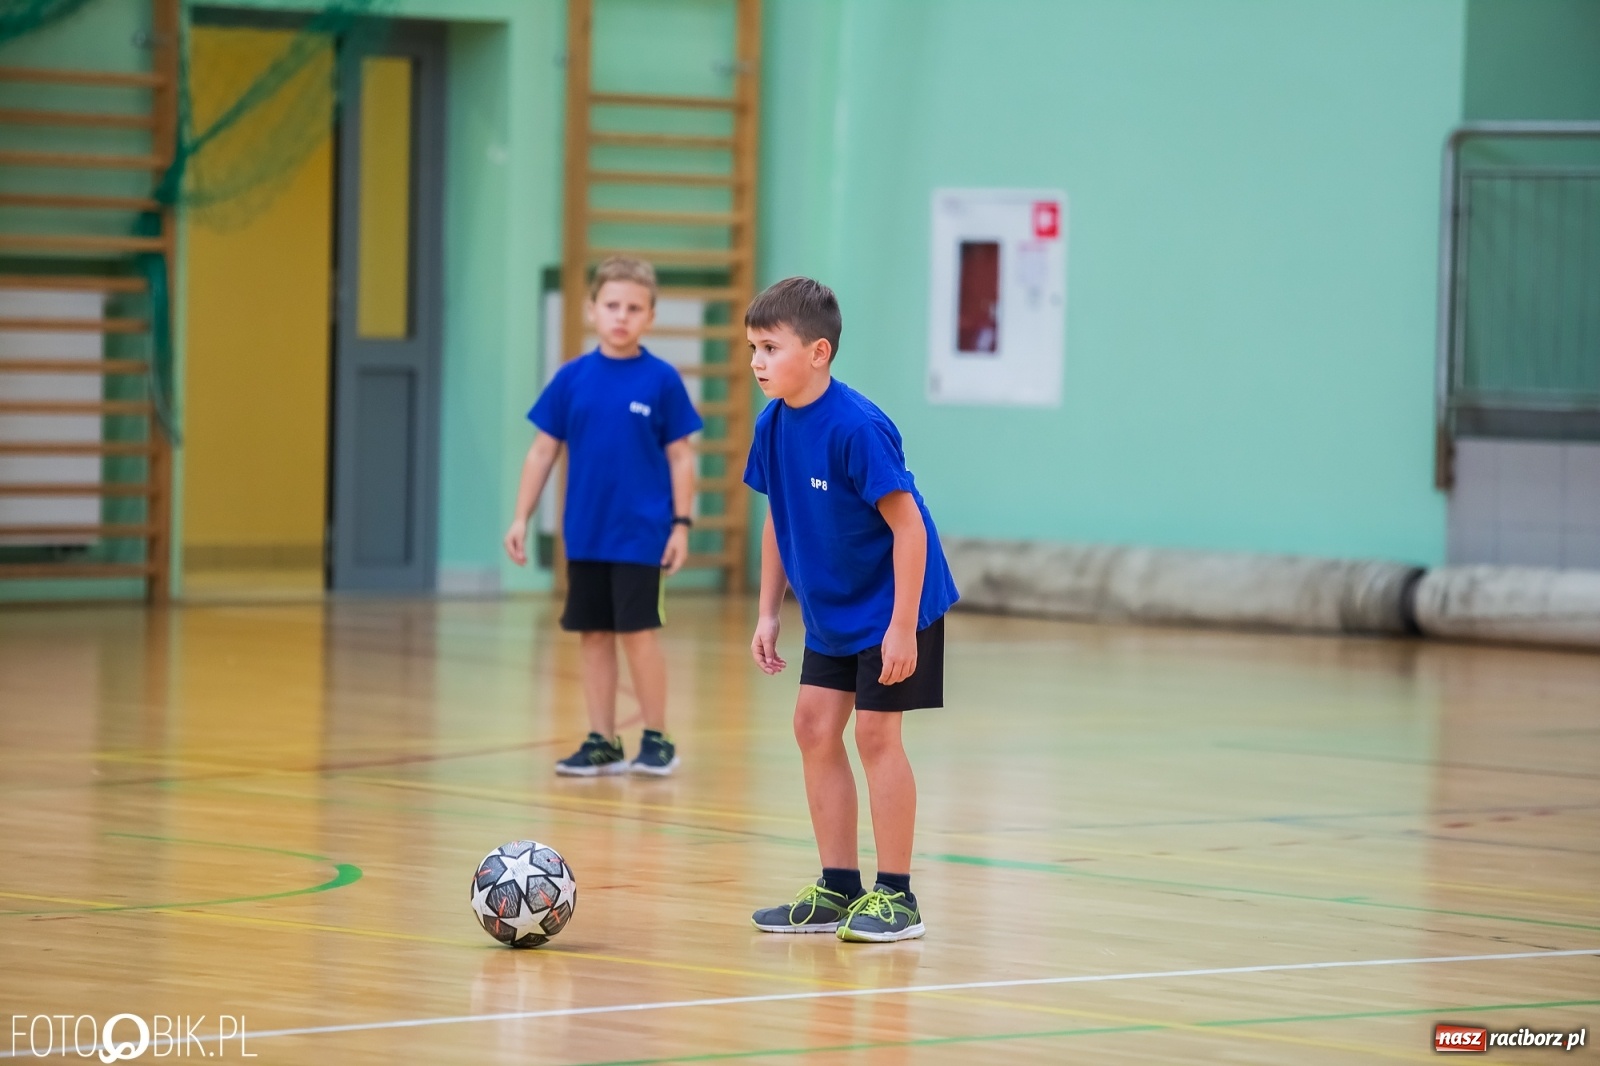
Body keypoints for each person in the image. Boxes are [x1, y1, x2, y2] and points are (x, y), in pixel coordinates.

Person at [743, 276, 959, 942]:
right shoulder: (773, 423)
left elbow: (910, 528)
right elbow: (778, 518)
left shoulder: (857, 427)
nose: (756, 361)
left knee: (875, 736)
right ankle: (839, 887)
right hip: (834, 610)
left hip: (896, 605)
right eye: (752, 347)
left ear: (819, 353)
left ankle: (897, 897)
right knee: (812, 727)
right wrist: (769, 612)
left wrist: (901, 628)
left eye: (770, 347)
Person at [504, 256, 701, 776]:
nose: (621, 316)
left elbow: (682, 456)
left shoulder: (661, 380)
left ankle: (658, 737)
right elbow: (542, 452)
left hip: (642, 534)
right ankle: (602, 740)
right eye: (612, 305)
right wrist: (521, 517)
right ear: (592, 310)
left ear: (651, 316)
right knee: (593, 635)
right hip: (586, 534)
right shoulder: (572, 378)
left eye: (634, 308)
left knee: (638, 633)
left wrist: (681, 524)